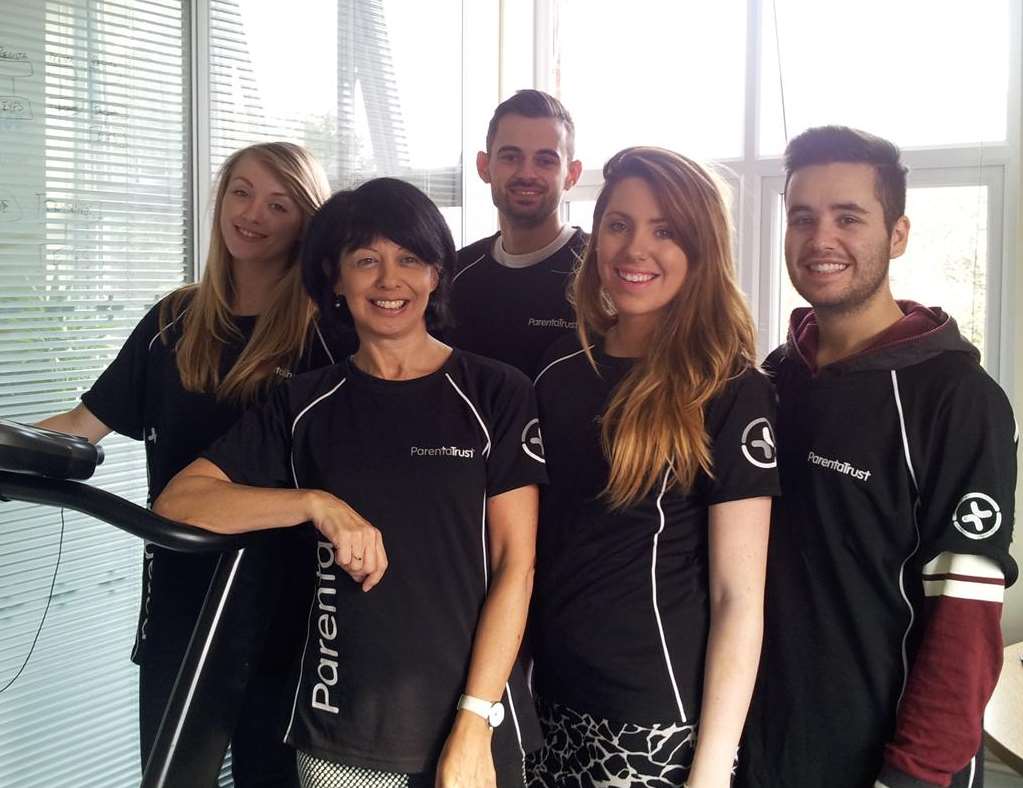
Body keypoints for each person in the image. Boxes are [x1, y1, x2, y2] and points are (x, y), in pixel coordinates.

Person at [155, 177, 546, 788]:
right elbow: (180, 504)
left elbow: (515, 566)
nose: (390, 281)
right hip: (342, 734)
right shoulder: (306, 403)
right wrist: (316, 504)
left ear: (437, 273)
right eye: (367, 260)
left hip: (476, 724)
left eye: (409, 259)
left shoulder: (495, 393)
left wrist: (475, 722)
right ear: (336, 279)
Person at [37, 141, 340, 786]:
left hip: (288, 615)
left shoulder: (326, 336)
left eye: (278, 202)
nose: (252, 213)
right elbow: (80, 427)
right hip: (181, 602)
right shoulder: (174, 319)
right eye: (241, 192)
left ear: (305, 222)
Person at [739, 126, 1018, 788]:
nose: (819, 239)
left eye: (847, 218)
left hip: (881, 763)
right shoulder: (773, 379)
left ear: (896, 235)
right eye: (801, 218)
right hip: (758, 748)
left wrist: (914, 775)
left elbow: (964, 616)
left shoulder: (956, 400)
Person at [528, 147, 779, 788]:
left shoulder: (727, 388)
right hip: (543, 701)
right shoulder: (559, 370)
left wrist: (713, 767)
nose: (635, 248)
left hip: (655, 722)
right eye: (619, 224)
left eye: (664, 230)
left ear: (701, 248)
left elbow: (738, 597)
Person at [443, 90, 585, 377]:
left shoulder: (601, 270)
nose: (527, 173)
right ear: (484, 166)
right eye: (511, 157)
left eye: (546, 160)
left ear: (572, 174)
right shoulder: (453, 275)